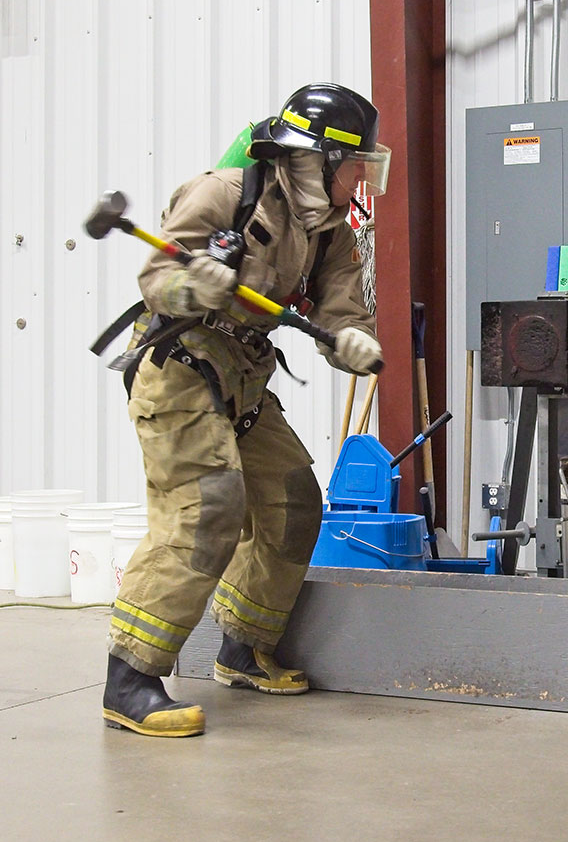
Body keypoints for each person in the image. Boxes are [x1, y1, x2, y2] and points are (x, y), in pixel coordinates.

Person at [102, 82, 391, 737]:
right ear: (316, 159)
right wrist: (190, 281)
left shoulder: (332, 235)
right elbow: (156, 279)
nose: (361, 178)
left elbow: (346, 311)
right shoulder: (224, 195)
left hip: (245, 377)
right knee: (208, 506)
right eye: (355, 164)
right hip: (179, 366)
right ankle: (131, 679)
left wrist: (355, 343)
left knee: (292, 499)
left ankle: (243, 646)